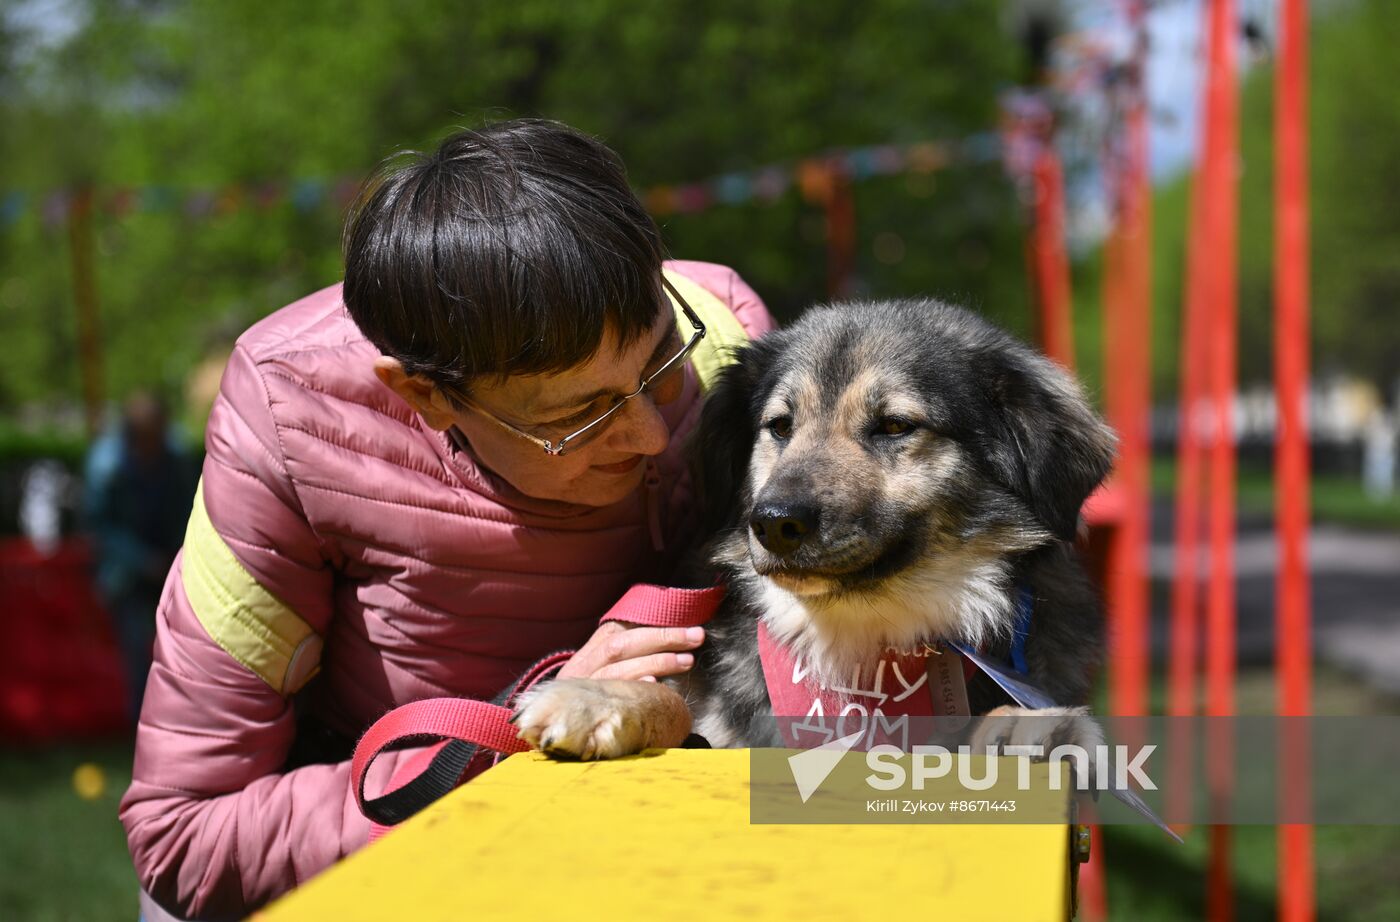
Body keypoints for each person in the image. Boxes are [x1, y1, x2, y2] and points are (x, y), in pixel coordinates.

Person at [119, 118, 775, 921]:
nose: (648, 433)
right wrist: (525, 734)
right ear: (423, 395)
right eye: (582, 415)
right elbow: (184, 836)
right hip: (404, 848)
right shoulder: (289, 414)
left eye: (658, 366)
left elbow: (818, 723)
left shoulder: (728, 338)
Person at [82, 391, 197, 723]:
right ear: (133, 436)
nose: (157, 443)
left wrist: (179, 554)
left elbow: (192, 511)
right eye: (150, 437)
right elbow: (98, 527)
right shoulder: (106, 465)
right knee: (137, 653)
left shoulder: (176, 458)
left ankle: (181, 724)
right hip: (127, 577)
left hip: (174, 568)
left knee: (183, 649)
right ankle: (144, 727)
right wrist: (141, 559)